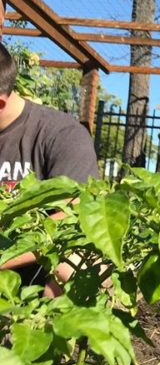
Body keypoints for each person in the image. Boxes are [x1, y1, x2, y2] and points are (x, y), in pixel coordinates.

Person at [0, 41, 99, 296]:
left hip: (35, 268)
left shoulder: (61, 134)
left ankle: (45, 328)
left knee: (74, 264)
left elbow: (75, 215)